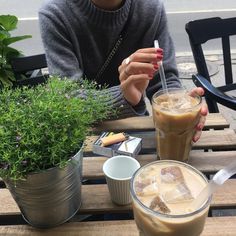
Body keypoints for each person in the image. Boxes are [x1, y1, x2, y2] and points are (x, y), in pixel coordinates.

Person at [38, 0, 207, 142]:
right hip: (84, 135)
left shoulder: (151, 9)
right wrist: (123, 96)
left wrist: (180, 106)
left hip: (138, 129)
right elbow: (68, 100)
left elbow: (164, 80)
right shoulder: (56, 14)